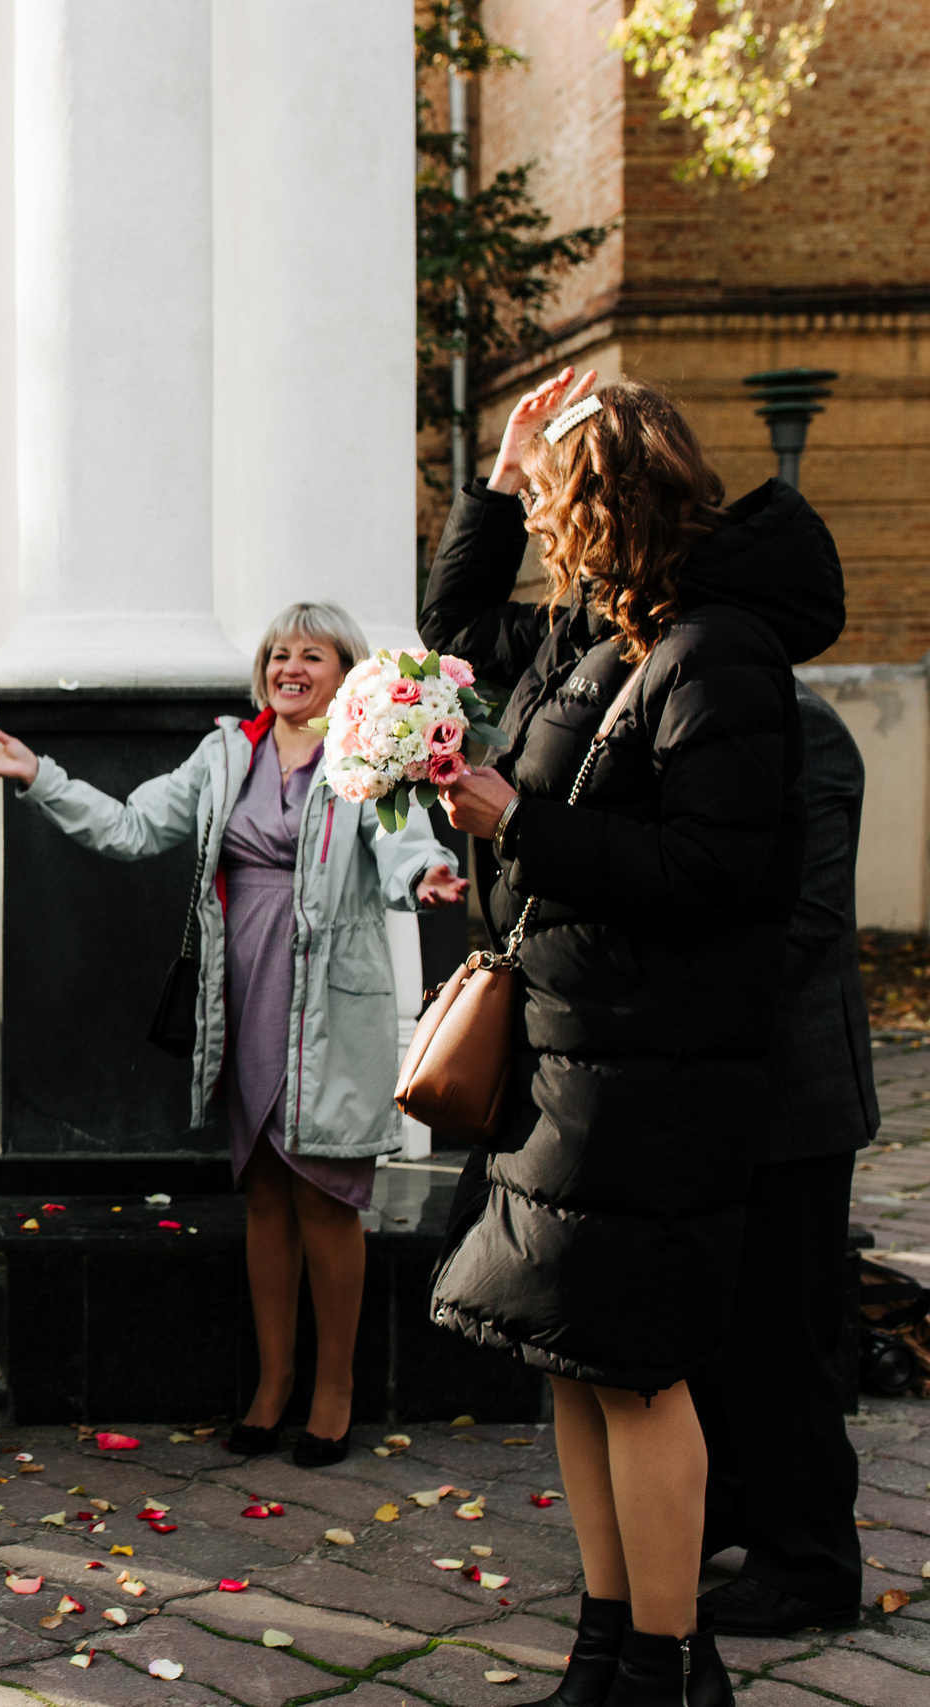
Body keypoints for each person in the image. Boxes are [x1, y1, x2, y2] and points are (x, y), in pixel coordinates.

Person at [422, 369, 844, 1707]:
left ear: (602, 507)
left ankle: (668, 1669)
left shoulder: (721, 653)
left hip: (657, 1074)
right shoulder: (608, 645)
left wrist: (520, 828)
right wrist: (497, 473)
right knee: (576, 1356)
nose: (542, 529)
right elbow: (459, 632)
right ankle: (604, 1649)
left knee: (642, 1369)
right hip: (572, 1052)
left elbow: (716, 873)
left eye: (549, 503)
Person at [0, 602, 461, 1467]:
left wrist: (432, 873)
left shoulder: (372, 754)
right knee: (265, 1192)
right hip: (245, 993)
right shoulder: (228, 750)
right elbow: (128, 828)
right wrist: (37, 772)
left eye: (313, 653)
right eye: (278, 653)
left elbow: (405, 848)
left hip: (334, 1005)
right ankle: (272, 1384)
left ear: (349, 672)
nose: (290, 666)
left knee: (329, 1200)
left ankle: (333, 1390)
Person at [693, 681, 877, 1637]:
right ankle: (725, 1503)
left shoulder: (809, 729)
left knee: (789, 1334)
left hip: (796, 1090)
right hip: (715, 1084)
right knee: (720, 1321)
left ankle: (809, 1563)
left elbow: (807, 922)